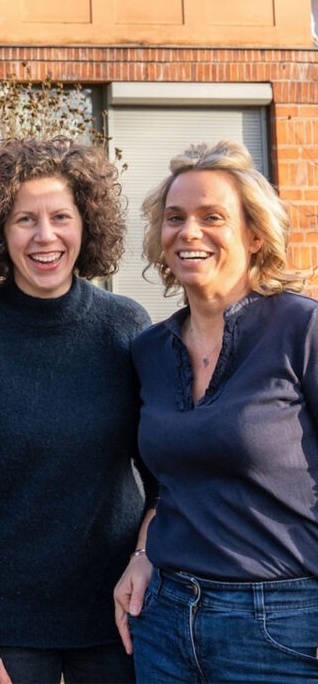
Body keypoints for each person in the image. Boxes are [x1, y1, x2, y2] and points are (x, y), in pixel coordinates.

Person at [0, 137, 154, 684]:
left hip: (117, 617)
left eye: (60, 217)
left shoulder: (126, 327)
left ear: (86, 225)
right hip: (5, 631)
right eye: (25, 219)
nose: (45, 237)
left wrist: (145, 556)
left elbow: (162, 477)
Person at [113, 140, 318, 682]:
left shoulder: (303, 330)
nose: (190, 232)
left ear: (254, 235)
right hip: (164, 619)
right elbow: (167, 483)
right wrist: (141, 556)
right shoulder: (149, 350)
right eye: (175, 218)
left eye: (213, 217)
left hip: (285, 626)